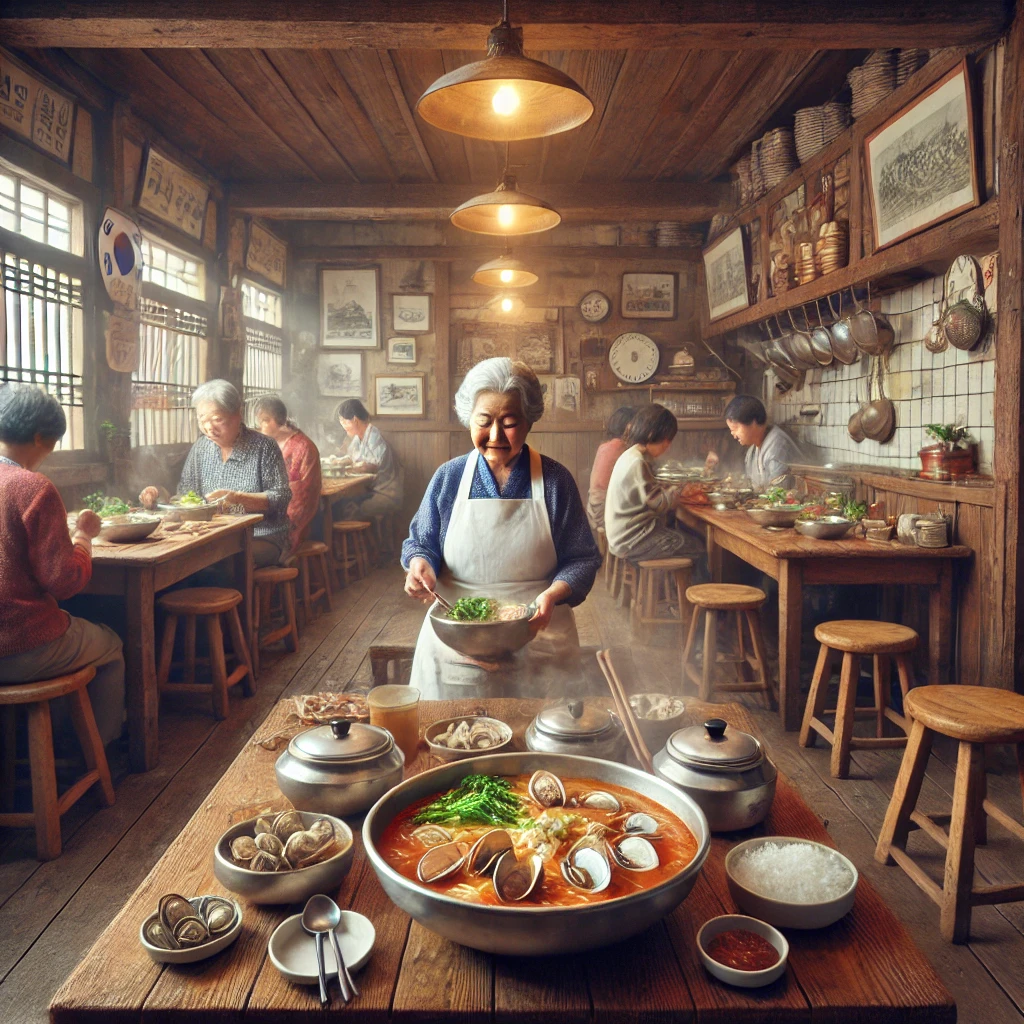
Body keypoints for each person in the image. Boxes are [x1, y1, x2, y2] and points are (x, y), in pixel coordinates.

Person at [402, 357, 601, 699]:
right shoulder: (448, 478)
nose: (495, 436)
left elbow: (582, 558)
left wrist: (553, 595)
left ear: (529, 422)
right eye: (484, 421)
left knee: (542, 740)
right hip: (456, 634)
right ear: (469, 418)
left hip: (539, 630)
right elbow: (421, 542)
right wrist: (419, 563)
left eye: (509, 423)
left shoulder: (555, 480)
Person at [0, 385, 125, 746]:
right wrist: (84, 536)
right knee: (111, 644)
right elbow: (65, 582)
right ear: (40, 437)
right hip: (20, 644)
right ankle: (100, 751)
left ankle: (42, 747)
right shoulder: (32, 487)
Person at [140, 379, 291, 566]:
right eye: (202, 419)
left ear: (238, 414)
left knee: (220, 563)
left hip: (261, 535)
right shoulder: (201, 448)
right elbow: (187, 494)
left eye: (217, 419)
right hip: (211, 536)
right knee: (176, 561)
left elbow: (281, 497)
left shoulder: (264, 447)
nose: (209, 427)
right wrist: (160, 497)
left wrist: (236, 498)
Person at [604, 404, 704, 563]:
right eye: (666, 440)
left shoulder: (631, 454)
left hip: (623, 535)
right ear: (651, 434)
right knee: (697, 545)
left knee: (678, 529)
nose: (668, 446)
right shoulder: (637, 462)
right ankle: (693, 588)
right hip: (631, 540)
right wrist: (682, 489)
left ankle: (674, 588)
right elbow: (659, 503)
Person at [253, 395, 322, 550]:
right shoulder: (272, 442)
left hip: (295, 514)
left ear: (272, 420)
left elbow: (303, 494)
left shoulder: (302, 446)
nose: (259, 427)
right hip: (273, 506)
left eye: (262, 421)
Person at [706, 394, 805, 490]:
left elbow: (779, 493)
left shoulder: (777, 447)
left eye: (735, 429)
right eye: (731, 430)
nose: (733, 434)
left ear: (753, 423)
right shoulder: (753, 448)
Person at [335, 399, 404, 521]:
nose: (344, 427)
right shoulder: (359, 438)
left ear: (355, 420)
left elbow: (371, 467)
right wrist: (342, 461)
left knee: (344, 507)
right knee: (338, 504)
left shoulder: (374, 437)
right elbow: (351, 458)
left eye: (344, 422)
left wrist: (347, 467)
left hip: (385, 492)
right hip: (370, 489)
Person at [586, 405, 634, 533]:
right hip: (604, 513)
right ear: (627, 426)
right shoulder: (619, 447)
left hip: (594, 510)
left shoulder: (606, 445)